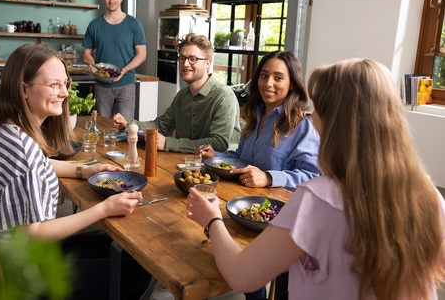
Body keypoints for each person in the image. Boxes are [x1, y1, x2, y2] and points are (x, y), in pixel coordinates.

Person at [187, 58, 445, 299]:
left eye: (318, 107)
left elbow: (242, 276)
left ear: (337, 122)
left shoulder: (318, 198)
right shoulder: (428, 192)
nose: (311, 115)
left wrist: (212, 220)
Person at [0, 44, 151, 298]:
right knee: (140, 269)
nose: (64, 93)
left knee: (128, 250)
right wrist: (103, 209)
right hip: (27, 272)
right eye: (54, 85)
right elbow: (35, 235)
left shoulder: (11, 130)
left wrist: (84, 170)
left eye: (65, 84)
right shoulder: (21, 150)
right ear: (24, 88)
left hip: (20, 257)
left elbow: (40, 165)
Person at [196, 51, 320, 190]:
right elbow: (242, 159)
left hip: (278, 207)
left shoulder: (303, 124)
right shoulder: (255, 115)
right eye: (264, 76)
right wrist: (215, 156)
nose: (268, 83)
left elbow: (312, 176)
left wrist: (269, 178)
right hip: (242, 198)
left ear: (292, 84)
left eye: (278, 78)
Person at [112, 33, 241, 153]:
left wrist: (169, 143)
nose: (185, 64)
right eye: (182, 58)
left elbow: (219, 143)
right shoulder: (182, 95)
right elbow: (160, 125)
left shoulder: (224, 96)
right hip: (186, 163)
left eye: (193, 59)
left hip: (222, 168)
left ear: (207, 63)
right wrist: (128, 124)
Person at [82, 0, 146, 121]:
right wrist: (93, 65)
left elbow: (142, 54)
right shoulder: (94, 25)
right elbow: (87, 52)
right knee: (103, 126)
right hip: (101, 85)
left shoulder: (134, 24)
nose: (112, 1)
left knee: (125, 127)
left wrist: (125, 69)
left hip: (126, 83)